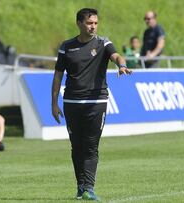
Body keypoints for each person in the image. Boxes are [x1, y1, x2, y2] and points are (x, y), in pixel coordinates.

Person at [51, 8, 132, 201]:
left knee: (91, 146)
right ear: (79, 23)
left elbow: (117, 56)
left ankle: (89, 187)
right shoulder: (67, 47)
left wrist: (121, 65)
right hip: (71, 102)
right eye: (89, 23)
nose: (93, 26)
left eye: (95, 23)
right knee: (76, 146)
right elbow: (57, 76)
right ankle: (81, 187)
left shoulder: (103, 43)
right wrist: (54, 104)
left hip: (96, 102)